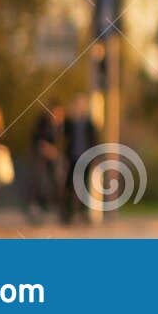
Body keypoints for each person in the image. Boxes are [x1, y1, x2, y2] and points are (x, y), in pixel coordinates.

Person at [61, 94, 99, 224]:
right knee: (70, 186)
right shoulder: (69, 122)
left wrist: (95, 158)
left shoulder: (89, 123)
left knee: (84, 187)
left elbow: (94, 140)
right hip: (72, 157)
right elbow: (63, 138)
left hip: (86, 159)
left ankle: (83, 213)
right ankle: (68, 214)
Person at [28, 101, 65, 223]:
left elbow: (63, 145)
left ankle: (54, 209)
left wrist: (56, 152)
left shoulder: (62, 127)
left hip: (54, 160)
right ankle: (37, 208)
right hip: (40, 160)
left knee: (57, 181)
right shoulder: (43, 124)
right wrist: (49, 150)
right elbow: (39, 142)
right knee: (40, 182)